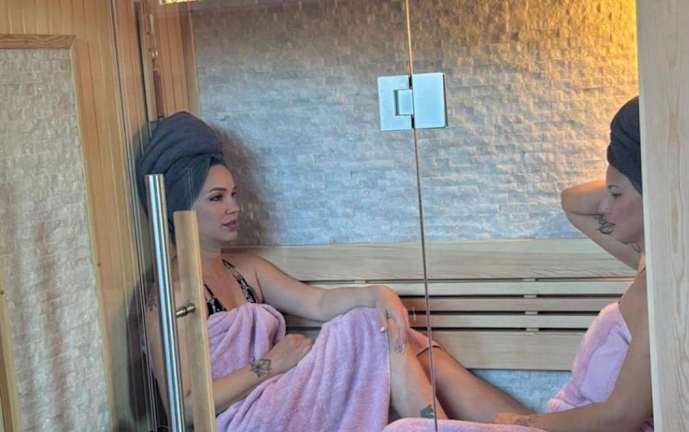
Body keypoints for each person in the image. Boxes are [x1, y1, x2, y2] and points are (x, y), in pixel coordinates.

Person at [136, 112, 525, 431]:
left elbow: (318, 302)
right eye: (217, 198)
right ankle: (519, 424)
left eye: (234, 194)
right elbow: (185, 410)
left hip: (280, 398)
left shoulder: (244, 269)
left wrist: (376, 294)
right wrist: (270, 364)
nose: (233, 207)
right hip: (245, 419)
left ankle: (517, 425)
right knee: (368, 328)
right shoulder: (171, 295)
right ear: (178, 208)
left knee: (385, 330)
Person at [384, 96, 654, 432]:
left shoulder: (657, 290)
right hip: (558, 419)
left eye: (616, 194)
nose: (605, 208)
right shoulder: (646, 259)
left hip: (561, 427)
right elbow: (572, 202)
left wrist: (523, 423)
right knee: (416, 352)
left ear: (653, 191)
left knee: (404, 430)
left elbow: (621, 416)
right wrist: (626, 173)